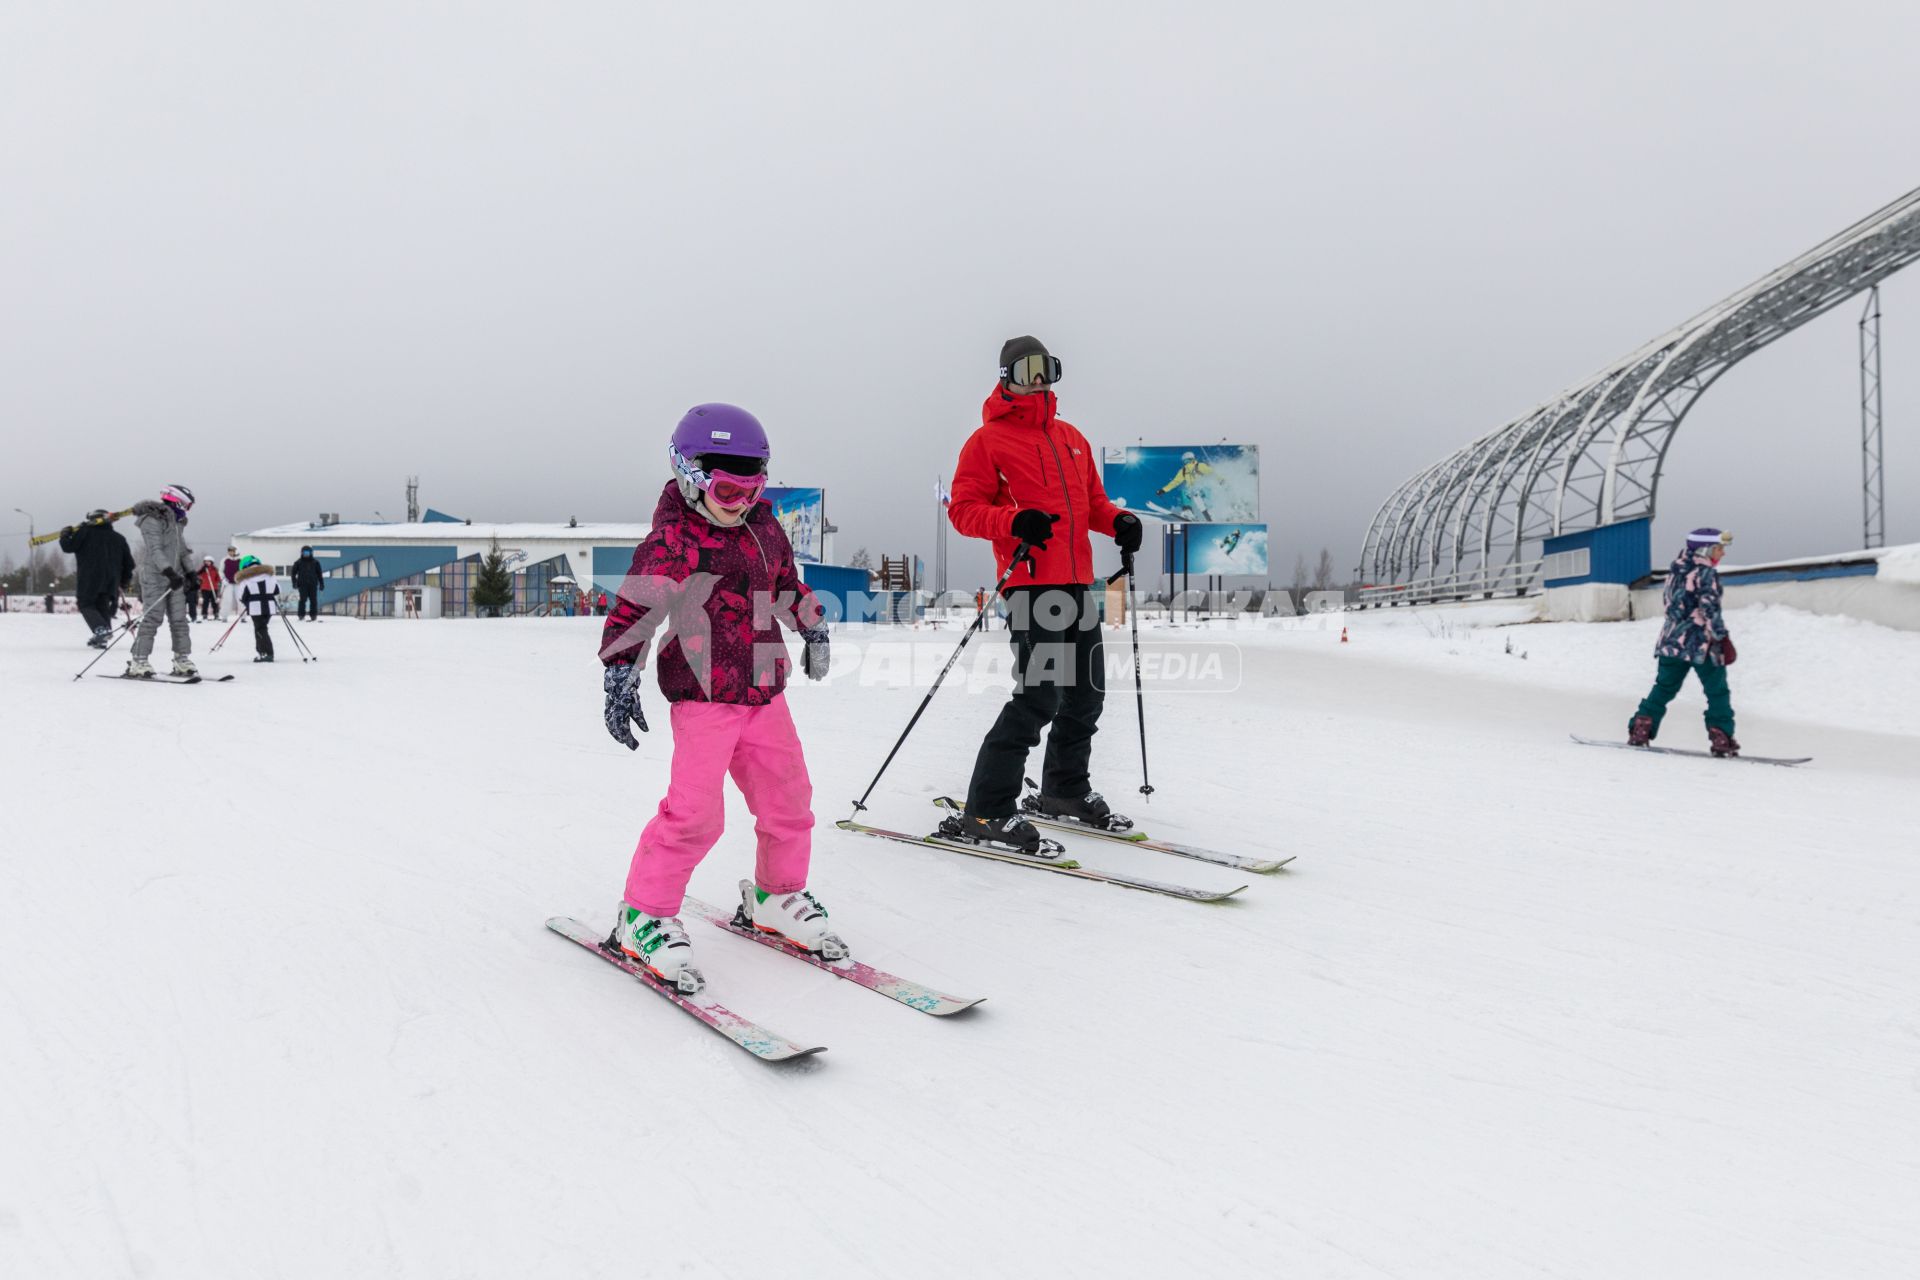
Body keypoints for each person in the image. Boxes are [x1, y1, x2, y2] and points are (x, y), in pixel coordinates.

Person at [596, 403, 840, 993]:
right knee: (695, 815)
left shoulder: (764, 526)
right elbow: (635, 608)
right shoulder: (673, 541)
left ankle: (775, 898)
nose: (739, 502)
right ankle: (644, 916)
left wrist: (811, 624)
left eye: (751, 489)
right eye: (727, 489)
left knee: (789, 800)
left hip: (764, 687)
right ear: (689, 474)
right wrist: (620, 669)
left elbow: (785, 584)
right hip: (703, 695)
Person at [941, 336, 1143, 853]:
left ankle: (1064, 791)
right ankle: (987, 809)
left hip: (1077, 583)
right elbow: (963, 511)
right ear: (1006, 375)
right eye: (1027, 368)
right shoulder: (987, 441)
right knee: (1039, 696)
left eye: (1046, 367)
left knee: (1087, 694)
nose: (1038, 378)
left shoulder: (1070, 437)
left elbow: (1093, 504)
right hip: (1032, 586)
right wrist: (1013, 519)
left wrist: (1118, 520)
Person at [1629, 527, 1740, 757]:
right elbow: (1709, 608)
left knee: (1664, 688)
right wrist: (1722, 638)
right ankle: (1722, 737)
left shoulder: (1675, 571)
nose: (1723, 554)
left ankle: (1641, 728)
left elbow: (1671, 605)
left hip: (1672, 641)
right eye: (1719, 548)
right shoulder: (1705, 572)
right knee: (1717, 692)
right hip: (1702, 645)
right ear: (1706, 549)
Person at [125, 484, 198, 678]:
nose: (186, 510)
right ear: (177, 500)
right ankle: (139, 661)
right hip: (155, 576)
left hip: (175, 577)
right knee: (153, 618)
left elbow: (182, 550)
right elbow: (155, 549)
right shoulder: (151, 520)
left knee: (179, 619)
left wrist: (191, 573)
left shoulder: (177, 523)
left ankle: (181, 659)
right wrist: (168, 571)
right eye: (186, 505)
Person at [58, 509, 136, 647]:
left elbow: (69, 547)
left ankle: (101, 630)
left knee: (85, 604)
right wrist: (124, 581)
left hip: (90, 577)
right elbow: (129, 564)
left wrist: (64, 535)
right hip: (111, 580)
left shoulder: (85, 533)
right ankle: (102, 636)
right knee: (102, 606)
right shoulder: (119, 538)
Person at [236, 555, 280, 662]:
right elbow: (277, 590)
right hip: (270, 607)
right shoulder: (270, 576)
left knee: (260, 629)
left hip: (255, 607)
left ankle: (266, 653)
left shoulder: (246, 579)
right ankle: (263, 652)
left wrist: (248, 602)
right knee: (262, 628)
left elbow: (241, 596)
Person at [290, 546, 325, 621]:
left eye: (307, 553)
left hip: (313, 584)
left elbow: (319, 574)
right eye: (304, 553)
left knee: (313, 600)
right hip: (302, 585)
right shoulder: (298, 562)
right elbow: (293, 574)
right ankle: (301, 615)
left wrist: (321, 584)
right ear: (302, 553)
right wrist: (294, 583)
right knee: (302, 600)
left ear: (311, 553)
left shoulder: (315, 562)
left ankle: (313, 615)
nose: (306, 554)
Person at [196, 557, 223, 621]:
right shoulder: (203, 569)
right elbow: (197, 574)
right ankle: (204, 614)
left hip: (214, 588)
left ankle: (216, 613)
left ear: (211, 562)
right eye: (206, 561)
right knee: (205, 602)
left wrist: (217, 584)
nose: (207, 562)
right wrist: (202, 570)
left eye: (208, 561)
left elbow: (218, 578)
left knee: (214, 602)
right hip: (205, 588)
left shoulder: (214, 569)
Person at [221, 545, 241, 619]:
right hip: (228, 583)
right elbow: (221, 571)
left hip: (238, 583)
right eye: (229, 551)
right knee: (227, 599)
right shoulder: (225, 560)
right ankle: (224, 616)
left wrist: (241, 579)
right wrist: (223, 579)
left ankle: (243, 616)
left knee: (240, 599)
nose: (231, 552)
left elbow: (242, 571)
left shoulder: (240, 560)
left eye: (233, 551)